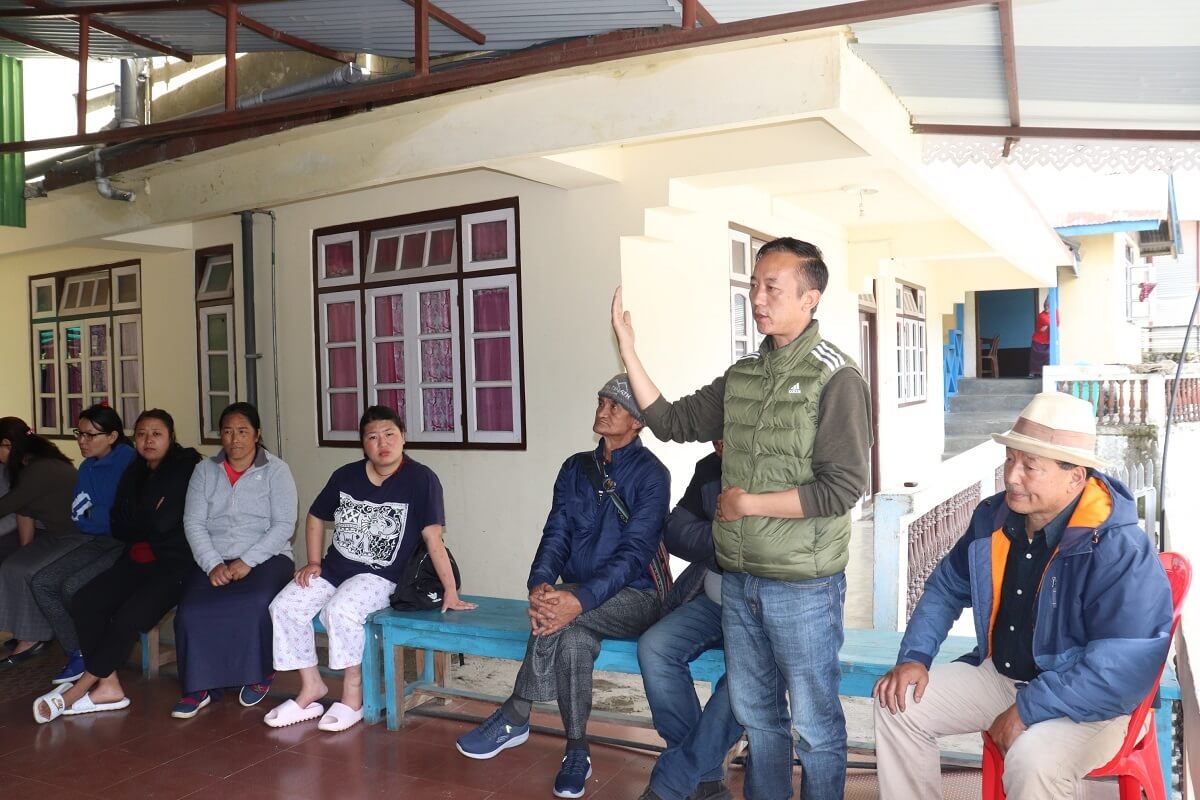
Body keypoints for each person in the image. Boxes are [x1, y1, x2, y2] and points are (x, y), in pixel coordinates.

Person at [611, 236, 873, 800]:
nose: (757, 298)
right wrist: (629, 351)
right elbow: (672, 421)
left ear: (809, 297)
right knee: (759, 721)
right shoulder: (744, 375)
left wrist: (748, 504)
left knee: (815, 728)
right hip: (740, 582)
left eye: (771, 288)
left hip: (803, 587)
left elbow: (843, 487)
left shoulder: (837, 377)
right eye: (754, 285)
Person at [872, 392, 1173, 800]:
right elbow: (945, 588)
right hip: (1004, 675)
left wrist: (1029, 709)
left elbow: (1121, 670)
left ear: (1075, 476)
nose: (1012, 477)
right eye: (1010, 459)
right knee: (897, 703)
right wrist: (914, 657)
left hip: (1091, 704)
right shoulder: (993, 518)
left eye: (1030, 466)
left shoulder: (1119, 549)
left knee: (1031, 760)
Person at [455, 374, 670, 799]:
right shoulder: (575, 468)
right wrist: (540, 584)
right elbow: (556, 532)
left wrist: (578, 599)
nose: (602, 411)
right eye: (600, 401)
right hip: (576, 594)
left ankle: (516, 712)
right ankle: (576, 749)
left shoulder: (652, 475)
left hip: (637, 595)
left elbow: (634, 555)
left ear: (638, 421)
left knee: (563, 614)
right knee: (570, 636)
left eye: (614, 406)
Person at [266, 405, 475, 731]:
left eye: (390, 434)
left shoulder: (421, 479)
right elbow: (316, 515)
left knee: (340, 610)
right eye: (373, 437)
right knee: (284, 606)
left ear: (403, 437)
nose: (383, 443)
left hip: (382, 575)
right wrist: (314, 561)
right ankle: (311, 687)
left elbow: (433, 538)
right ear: (364, 444)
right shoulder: (345, 476)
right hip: (335, 570)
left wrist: (450, 590)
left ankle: (353, 696)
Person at [32, 409, 202, 722]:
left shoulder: (185, 468)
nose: (148, 440)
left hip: (174, 565)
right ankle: (109, 686)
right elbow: (120, 524)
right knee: (86, 600)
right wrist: (144, 516)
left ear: (171, 437)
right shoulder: (135, 470)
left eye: (157, 434)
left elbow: (163, 522)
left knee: (126, 617)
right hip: (136, 557)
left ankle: (79, 689)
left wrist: (139, 518)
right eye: (142, 434)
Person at [638, 442, 747, 800]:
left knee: (745, 678)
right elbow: (676, 531)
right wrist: (722, 535)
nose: (717, 442)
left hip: (764, 612)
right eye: (713, 435)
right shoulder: (709, 467)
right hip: (712, 603)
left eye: (725, 431)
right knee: (655, 647)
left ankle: (675, 781)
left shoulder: (776, 468)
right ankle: (706, 776)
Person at [175, 402, 297, 719]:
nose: (235, 439)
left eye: (243, 431)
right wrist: (212, 563)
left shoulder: (276, 470)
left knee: (255, 602)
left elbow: (284, 525)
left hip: (267, 556)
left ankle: (259, 674)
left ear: (257, 434)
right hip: (214, 557)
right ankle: (199, 686)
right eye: (228, 431)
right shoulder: (204, 470)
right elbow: (193, 523)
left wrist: (248, 561)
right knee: (191, 610)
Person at [31, 403, 137, 685]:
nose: (82, 441)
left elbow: (124, 518)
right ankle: (78, 653)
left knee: (72, 587)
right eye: (79, 433)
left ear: (112, 436)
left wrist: (100, 515)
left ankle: (97, 653)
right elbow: (80, 517)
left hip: (125, 545)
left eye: (90, 435)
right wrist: (102, 516)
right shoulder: (87, 467)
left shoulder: (130, 462)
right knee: (41, 583)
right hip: (96, 540)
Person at [0, 417, 82, 668]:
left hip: (75, 538)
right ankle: (26, 633)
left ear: (7, 444)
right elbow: (25, 510)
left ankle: (32, 639)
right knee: (15, 565)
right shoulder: (31, 464)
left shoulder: (40, 469)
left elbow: (8, 505)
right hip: (55, 536)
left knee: (20, 569)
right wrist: (26, 549)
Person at [1028, 297, 1058, 378]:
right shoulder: (1042, 316)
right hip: (1038, 341)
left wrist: (1056, 311)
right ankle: (1033, 373)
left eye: (1049, 306)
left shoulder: (1052, 314)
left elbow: (1057, 323)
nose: (1047, 308)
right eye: (1046, 306)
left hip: (1047, 341)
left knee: (1047, 357)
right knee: (1036, 358)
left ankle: (1043, 373)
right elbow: (1051, 323)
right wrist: (1054, 314)